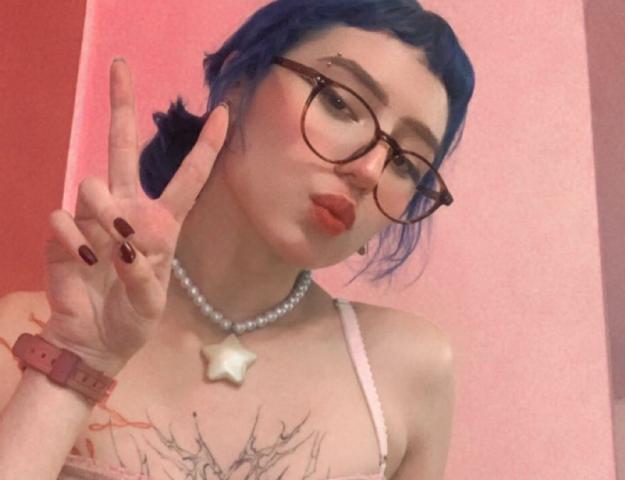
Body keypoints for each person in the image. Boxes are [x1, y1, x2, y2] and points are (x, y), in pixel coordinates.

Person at [0, 0, 475, 478]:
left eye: (405, 163)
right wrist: (80, 357)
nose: (370, 170)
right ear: (240, 80)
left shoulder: (406, 374)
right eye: (339, 103)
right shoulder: (21, 336)